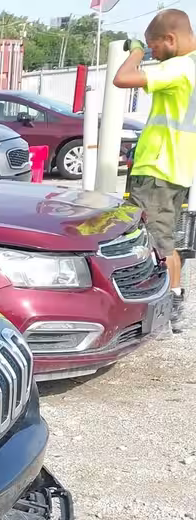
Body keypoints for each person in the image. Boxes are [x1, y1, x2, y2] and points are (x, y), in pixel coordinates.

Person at [113, 8, 196, 333]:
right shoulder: (189, 68)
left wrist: (135, 51)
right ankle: (169, 301)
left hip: (158, 170)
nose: (153, 54)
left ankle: (168, 307)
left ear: (170, 39)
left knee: (157, 242)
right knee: (165, 238)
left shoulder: (177, 67)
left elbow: (123, 79)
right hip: (175, 170)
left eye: (155, 47)